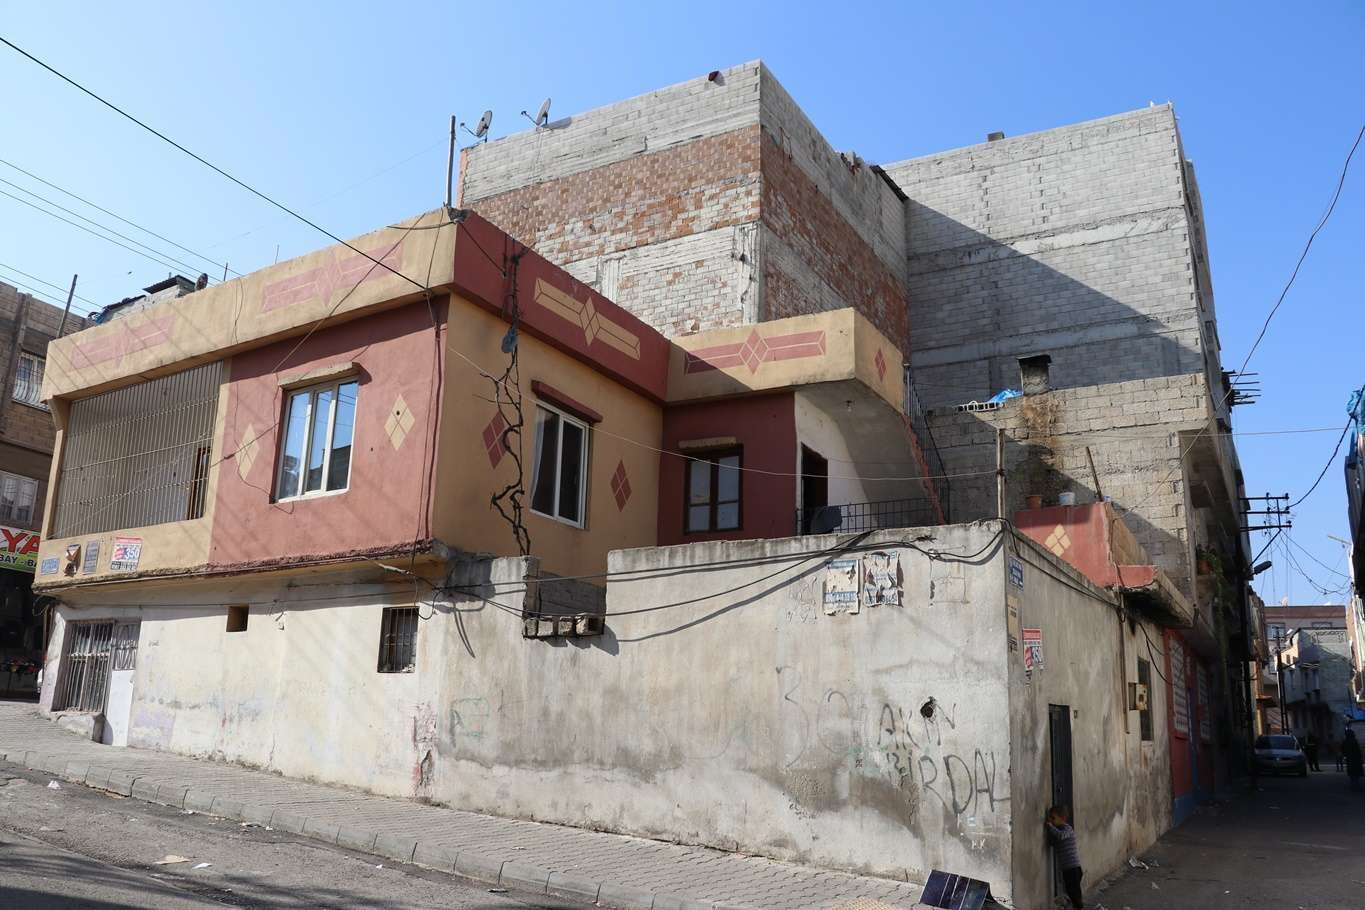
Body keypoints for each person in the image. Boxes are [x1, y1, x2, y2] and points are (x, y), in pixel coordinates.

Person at [1046, 806, 1084, 908]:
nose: (1051, 821)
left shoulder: (1068, 829)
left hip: (1073, 868)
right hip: (1067, 868)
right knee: (1071, 891)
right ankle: (1076, 906)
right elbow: (1053, 842)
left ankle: (1079, 907)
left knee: (1074, 892)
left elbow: (1061, 836)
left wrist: (1050, 827)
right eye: (1050, 818)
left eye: (1053, 818)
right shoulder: (1058, 831)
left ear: (1062, 818)